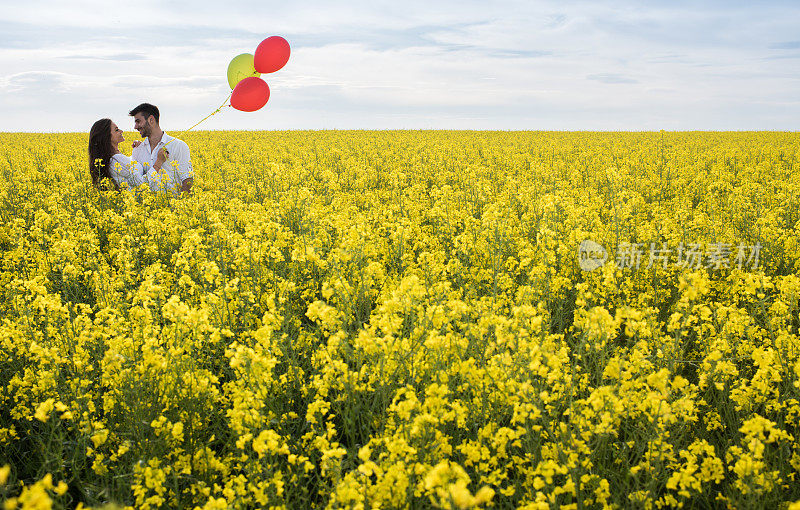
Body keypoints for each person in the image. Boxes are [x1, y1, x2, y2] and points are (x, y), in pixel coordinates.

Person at [129, 103, 193, 195]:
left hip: (172, 207)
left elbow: (187, 180)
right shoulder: (138, 149)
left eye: (138, 121)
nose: (135, 127)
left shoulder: (178, 146)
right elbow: (136, 181)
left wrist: (181, 206)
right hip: (144, 207)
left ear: (151, 120)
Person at [88, 118, 165, 191]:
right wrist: (159, 162)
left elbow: (131, 167)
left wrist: (139, 150)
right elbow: (142, 184)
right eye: (116, 130)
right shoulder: (115, 161)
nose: (121, 131)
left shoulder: (116, 159)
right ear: (107, 136)